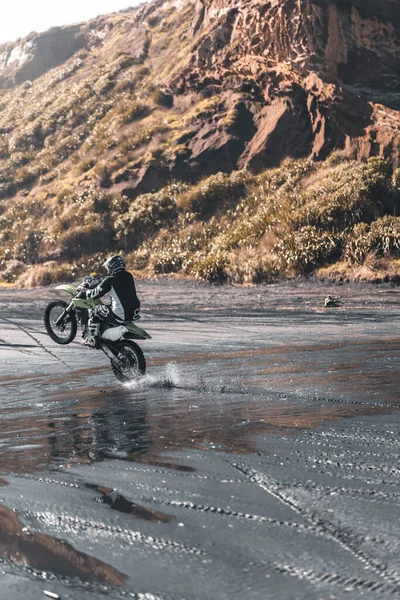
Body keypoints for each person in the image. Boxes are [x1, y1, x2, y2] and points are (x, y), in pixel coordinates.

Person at [82, 255, 140, 347]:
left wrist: (87, 291)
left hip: (120, 313)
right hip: (133, 312)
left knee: (94, 310)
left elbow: (95, 294)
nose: (108, 270)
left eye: (108, 267)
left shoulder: (110, 280)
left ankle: (92, 340)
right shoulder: (129, 276)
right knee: (111, 304)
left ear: (113, 267)